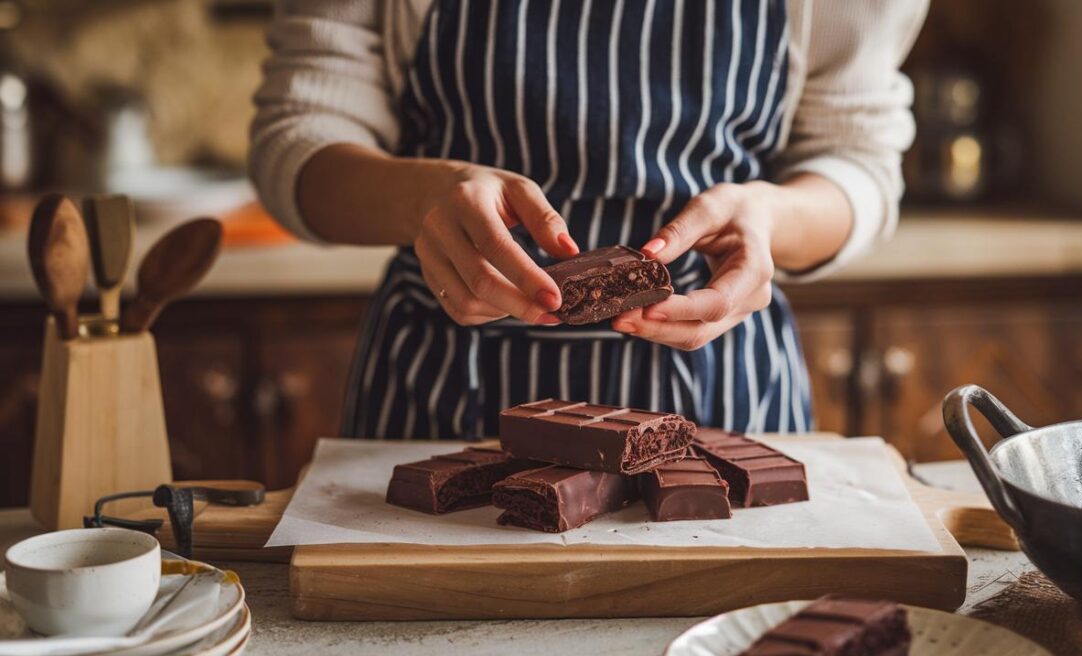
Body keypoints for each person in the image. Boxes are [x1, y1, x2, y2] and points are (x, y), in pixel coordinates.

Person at [250, 0, 927, 440]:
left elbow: (856, 156)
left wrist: (771, 217)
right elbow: (299, 139)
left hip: (720, 391)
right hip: (443, 390)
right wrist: (420, 197)